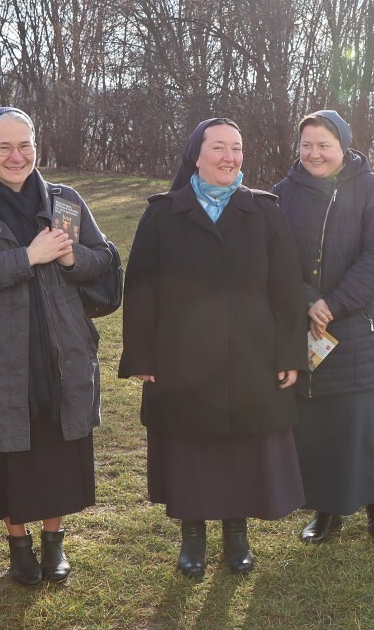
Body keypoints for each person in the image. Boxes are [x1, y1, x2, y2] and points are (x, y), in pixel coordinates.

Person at [119, 118, 305, 577]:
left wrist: (289, 354)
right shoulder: (163, 214)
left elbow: (286, 290)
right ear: (196, 156)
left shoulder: (265, 213)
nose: (229, 157)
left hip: (251, 356)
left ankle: (237, 536)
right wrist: (142, 355)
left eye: (236, 148)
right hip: (180, 357)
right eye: (219, 147)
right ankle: (192, 538)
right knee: (190, 449)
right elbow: (140, 288)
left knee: (241, 447)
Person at [0, 108, 115, 586]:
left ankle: (53, 543)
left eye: (25, 145)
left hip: (60, 350)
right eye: (4, 147)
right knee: (7, 453)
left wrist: (73, 257)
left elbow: (103, 258)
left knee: (56, 449)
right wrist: (28, 257)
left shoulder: (65, 202)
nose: (16, 156)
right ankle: (18, 545)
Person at [273, 110, 374, 543]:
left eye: (324, 145)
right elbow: (273, 259)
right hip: (308, 326)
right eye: (306, 145)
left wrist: (335, 303)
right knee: (319, 423)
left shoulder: (370, 188)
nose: (314, 154)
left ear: (343, 147)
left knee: (363, 419)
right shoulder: (282, 194)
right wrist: (308, 301)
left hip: (358, 325)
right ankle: (326, 508)